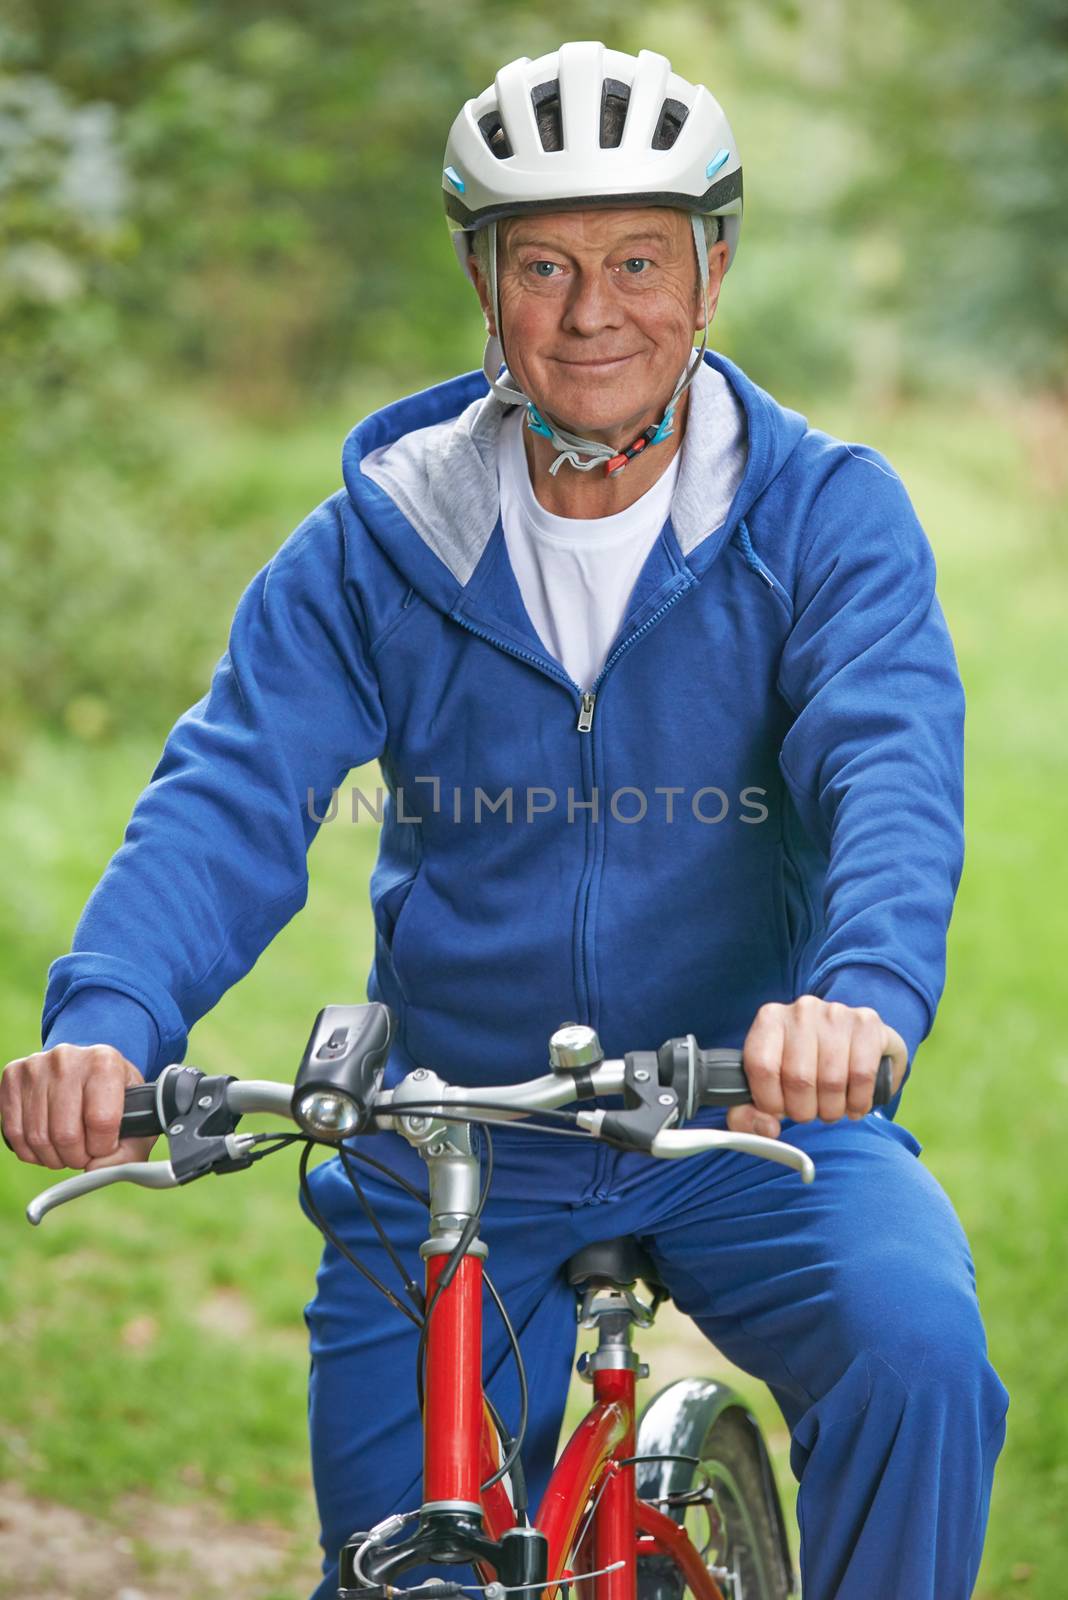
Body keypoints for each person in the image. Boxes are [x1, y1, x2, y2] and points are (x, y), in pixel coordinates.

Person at [1, 42, 1008, 1600]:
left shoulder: (823, 516)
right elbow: (237, 789)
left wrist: (858, 999)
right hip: (462, 1129)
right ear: (483, 280)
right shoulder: (374, 549)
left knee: (921, 1358)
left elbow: (887, 766)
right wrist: (114, 1019)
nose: (592, 310)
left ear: (713, 273)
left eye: (636, 261)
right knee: (410, 1564)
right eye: (542, 262)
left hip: (759, 1110)